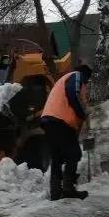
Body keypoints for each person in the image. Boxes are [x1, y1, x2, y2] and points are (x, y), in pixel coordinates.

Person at [41, 63, 92, 201]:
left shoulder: (64, 80)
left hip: (49, 121)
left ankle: (55, 192)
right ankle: (68, 189)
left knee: (57, 157)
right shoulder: (76, 76)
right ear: (85, 75)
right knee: (74, 153)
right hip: (60, 121)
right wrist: (82, 113)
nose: (85, 84)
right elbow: (73, 93)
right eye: (86, 81)